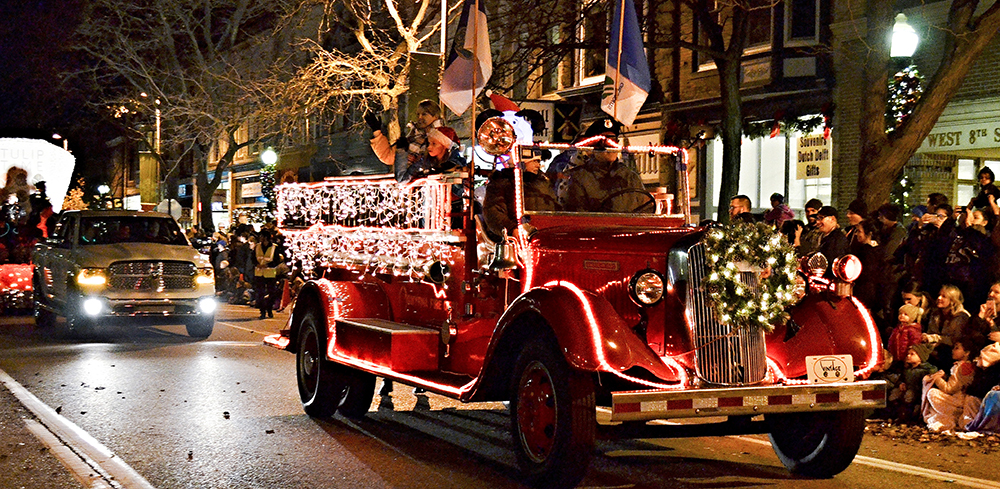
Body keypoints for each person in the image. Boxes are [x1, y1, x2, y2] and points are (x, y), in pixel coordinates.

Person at [563, 118, 651, 214]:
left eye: (613, 141)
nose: (610, 147)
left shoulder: (630, 177)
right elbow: (577, 216)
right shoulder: (580, 177)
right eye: (603, 142)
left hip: (632, 227)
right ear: (593, 147)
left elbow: (646, 208)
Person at [483, 148, 557, 242]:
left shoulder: (543, 182)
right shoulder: (501, 183)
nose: (538, 165)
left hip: (546, 233)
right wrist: (512, 229)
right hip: (516, 239)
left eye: (538, 161)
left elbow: (554, 207)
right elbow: (493, 212)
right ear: (521, 163)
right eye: (534, 161)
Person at [368, 99, 444, 181]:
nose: (419, 117)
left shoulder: (442, 136)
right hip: (409, 184)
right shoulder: (414, 135)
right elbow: (388, 156)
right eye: (418, 114)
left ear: (435, 117)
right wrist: (377, 132)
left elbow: (440, 160)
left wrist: (419, 160)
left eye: (424, 114)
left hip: (430, 184)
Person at [922, 336, 982, 432]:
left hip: (959, 401)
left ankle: (953, 417)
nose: (953, 351)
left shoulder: (962, 367)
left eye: (957, 348)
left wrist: (937, 378)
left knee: (932, 393)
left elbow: (949, 389)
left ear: (967, 353)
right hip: (960, 399)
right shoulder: (965, 365)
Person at [924, 284, 972, 371]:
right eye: (939, 295)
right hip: (934, 350)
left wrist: (937, 339)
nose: (939, 298)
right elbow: (930, 332)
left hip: (951, 353)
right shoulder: (935, 314)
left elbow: (956, 339)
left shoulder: (961, 317)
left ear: (953, 300)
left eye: (944, 296)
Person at [815, 206, 849, 275]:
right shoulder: (822, 237)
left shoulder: (838, 239)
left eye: (821, 218)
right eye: (817, 219)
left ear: (832, 219)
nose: (817, 222)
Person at [254, 232, 280, 319]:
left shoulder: (274, 247)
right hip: (259, 272)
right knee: (260, 293)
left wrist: (268, 265)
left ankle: (269, 308)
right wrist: (256, 264)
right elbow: (253, 257)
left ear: (266, 238)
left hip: (270, 273)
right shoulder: (257, 246)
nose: (260, 238)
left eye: (261, 236)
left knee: (272, 293)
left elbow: (277, 260)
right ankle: (262, 311)